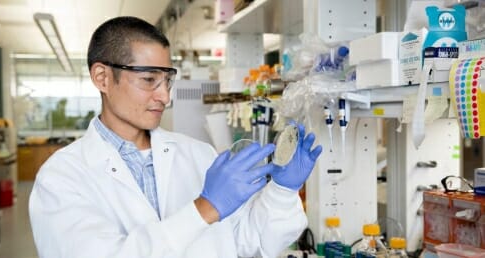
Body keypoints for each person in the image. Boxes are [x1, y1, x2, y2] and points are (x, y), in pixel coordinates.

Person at [29, 16, 322, 258]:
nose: (165, 96)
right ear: (102, 78)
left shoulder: (199, 154)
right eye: (148, 80)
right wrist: (205, 209)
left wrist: (283, 191)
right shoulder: (61, 177)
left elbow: (252, 242)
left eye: (167, 80)